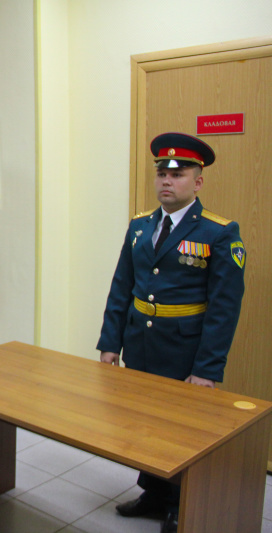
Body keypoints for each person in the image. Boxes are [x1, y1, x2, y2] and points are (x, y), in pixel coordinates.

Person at [97, 132, 245, 533]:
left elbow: (225, 309)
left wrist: (208, 369)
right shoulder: (140, 226)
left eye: (178, 174)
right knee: (142, 424)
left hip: (186, 350)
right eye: (162, 172)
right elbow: (121, 287)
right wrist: (110, 343)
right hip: (141, 344)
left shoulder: (219, 232)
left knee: (183, 433)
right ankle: (154, 493)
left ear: (198, 182)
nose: (167, 180)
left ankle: (182, 502)